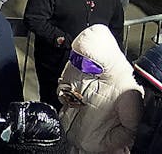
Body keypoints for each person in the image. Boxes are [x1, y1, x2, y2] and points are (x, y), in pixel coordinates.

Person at [25, 0, 125, 106]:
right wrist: (61, 39)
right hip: (57, 67)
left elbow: (116, 25)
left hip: (96, 71)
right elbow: (34, 18)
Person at [59, 24, 142, 154]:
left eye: (88, 63)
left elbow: (131, 129)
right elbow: (63, 83)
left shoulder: (128, 88)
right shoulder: (77, 62)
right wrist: (65, 95)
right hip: (67, 143)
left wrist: (101, 144)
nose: (81, 67)